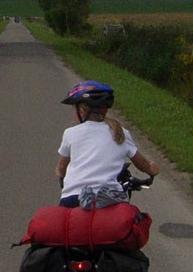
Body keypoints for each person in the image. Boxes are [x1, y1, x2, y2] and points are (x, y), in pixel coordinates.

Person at [55, 80, 158, 208]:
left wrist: (61, 175)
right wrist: (152, 169)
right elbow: (142, 164)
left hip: (72, 200)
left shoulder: (70, 133)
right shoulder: (121, 133)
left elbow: (61, 168)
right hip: (109, 201)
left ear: (82, 111)